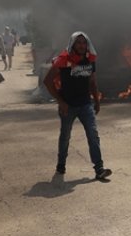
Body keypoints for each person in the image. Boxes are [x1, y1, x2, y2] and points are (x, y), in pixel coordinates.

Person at [43, 31, 111, 180]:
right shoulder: (63, 60)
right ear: (72, 45)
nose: (81, 45)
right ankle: (61, 164)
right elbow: (47, 81)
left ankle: (99, 168)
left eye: (84, 42)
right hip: (68, 106)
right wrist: (61, 102)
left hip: (85, 104)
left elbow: (92, 82)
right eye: (78, 43)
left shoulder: (90, 60)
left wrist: (97, 101)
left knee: (93, 135)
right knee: (65, 136)